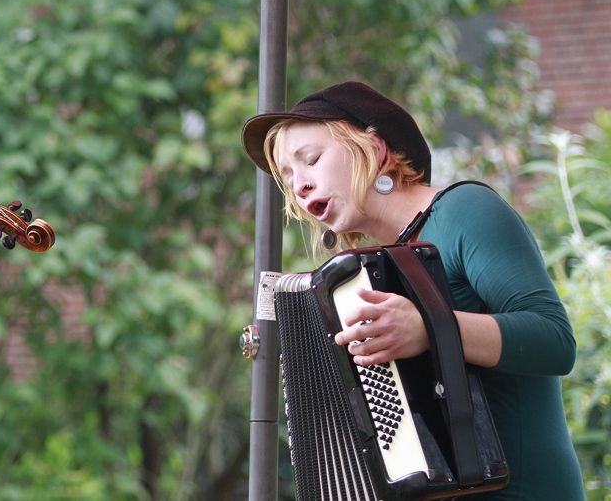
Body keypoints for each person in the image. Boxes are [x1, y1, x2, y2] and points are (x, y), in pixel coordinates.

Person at [241, 81, 585, 500]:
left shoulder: (464, 211)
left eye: (311, 159)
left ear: (375, 149)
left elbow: (554, 340)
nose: (299, 185)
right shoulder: (368, 273)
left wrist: (429, 329)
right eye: (288, 176)